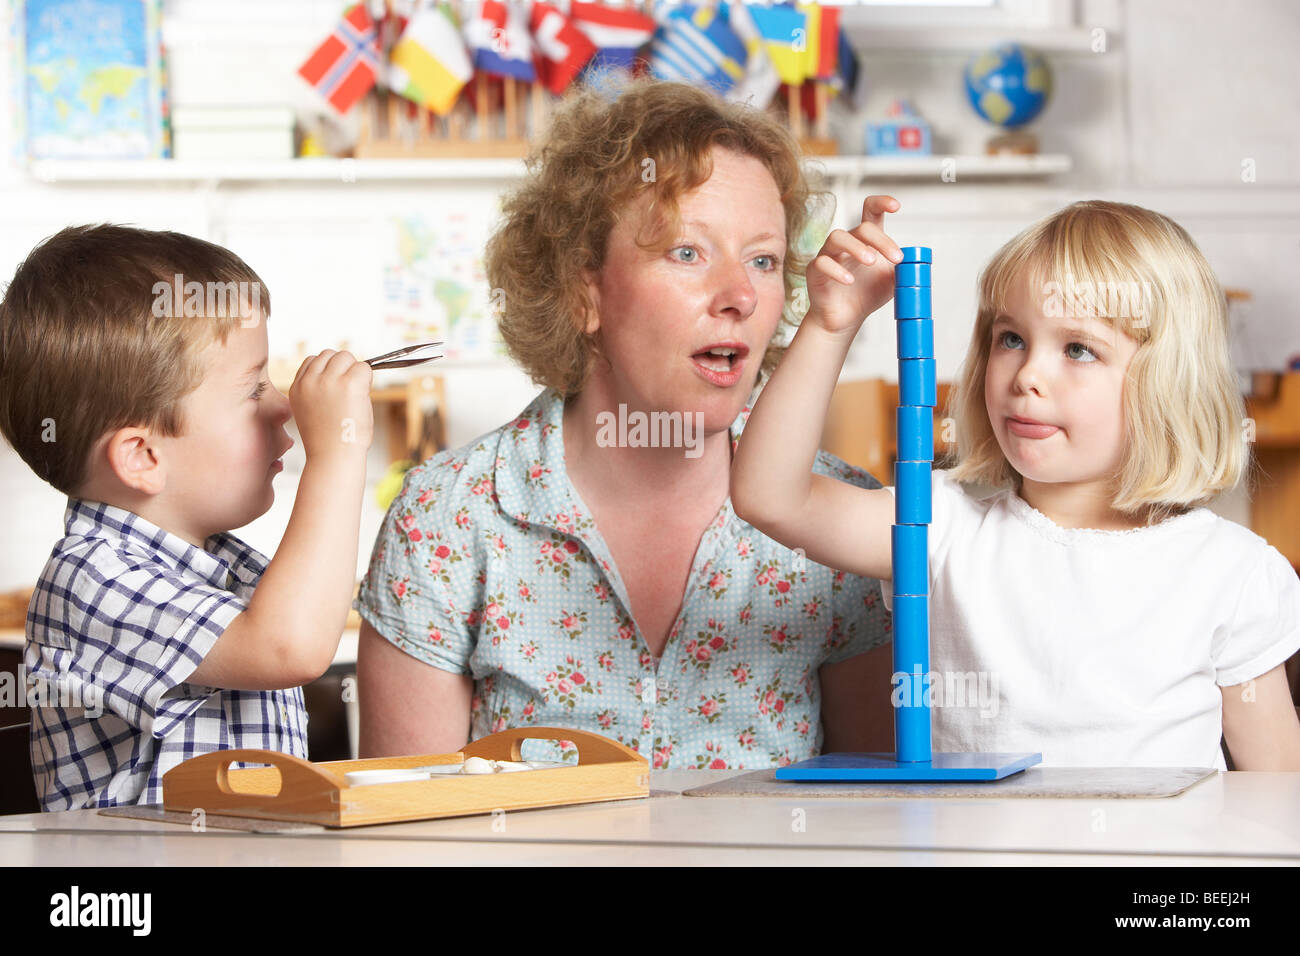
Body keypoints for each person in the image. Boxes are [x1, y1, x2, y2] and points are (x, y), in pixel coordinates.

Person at [356, 78, 894, 768]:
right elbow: (410, 838)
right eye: (687, 252)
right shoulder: (447, 520)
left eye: (763, 260)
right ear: (585, 293)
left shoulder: (840, 525)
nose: (738, 296)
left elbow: (874, 815)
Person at [732, 199, 1300, 769]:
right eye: (1011, 339)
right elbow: (770, 497)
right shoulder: (938, 528)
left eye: (1078, 348)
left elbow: (1277, 798)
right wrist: (832, 324)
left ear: (1169, 382)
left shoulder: (1232, 571)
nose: (1028, 375)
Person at [0, 225, 374, 808]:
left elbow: (305, 614)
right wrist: (339, 453)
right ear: (143, 457)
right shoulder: (91, 578)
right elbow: (291, 647)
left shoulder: (215, 560)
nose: (283, 407)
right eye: (254, 390)